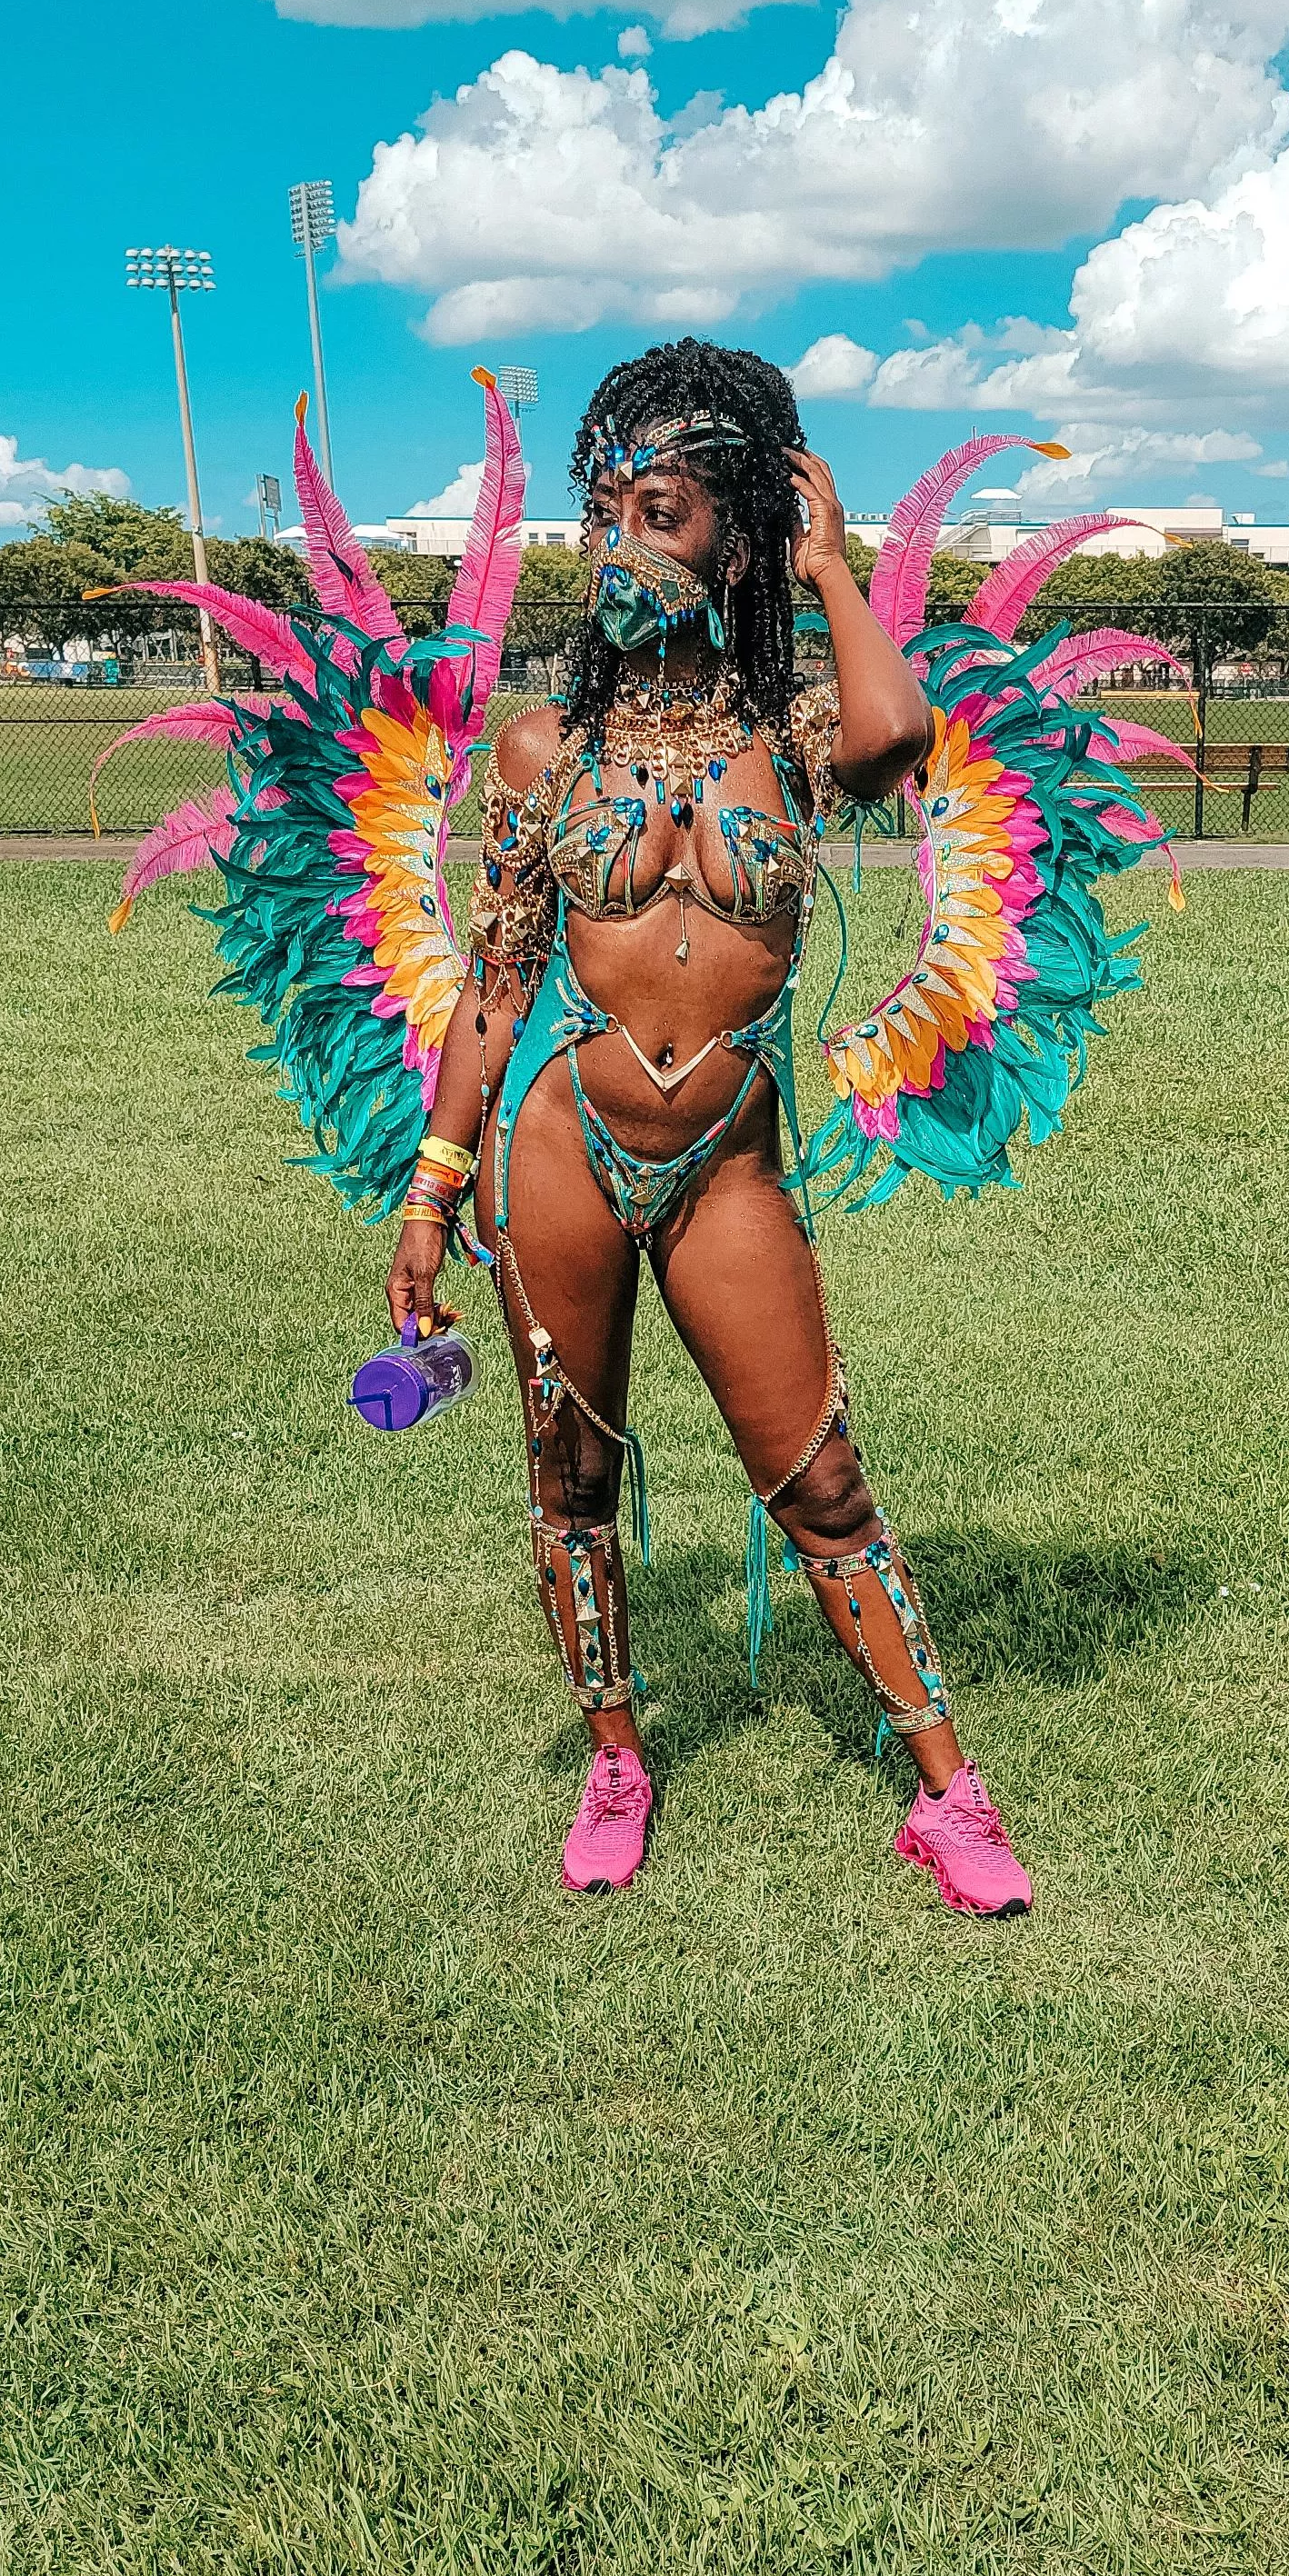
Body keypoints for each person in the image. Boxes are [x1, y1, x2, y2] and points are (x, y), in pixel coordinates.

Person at [385, 341, 1032, 1912]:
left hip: (727, 1161)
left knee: (819, 1480)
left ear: (732, 533)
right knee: (569, 1470)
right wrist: (430, 1190)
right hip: (559, 1157)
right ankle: (617, 1754)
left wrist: (831, 569)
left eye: (662, 513)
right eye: (604, 513)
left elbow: (899, 737)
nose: (622, 547)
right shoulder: (547, 752)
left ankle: (948, 1792)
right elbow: (497, 979)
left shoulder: (797, 740)